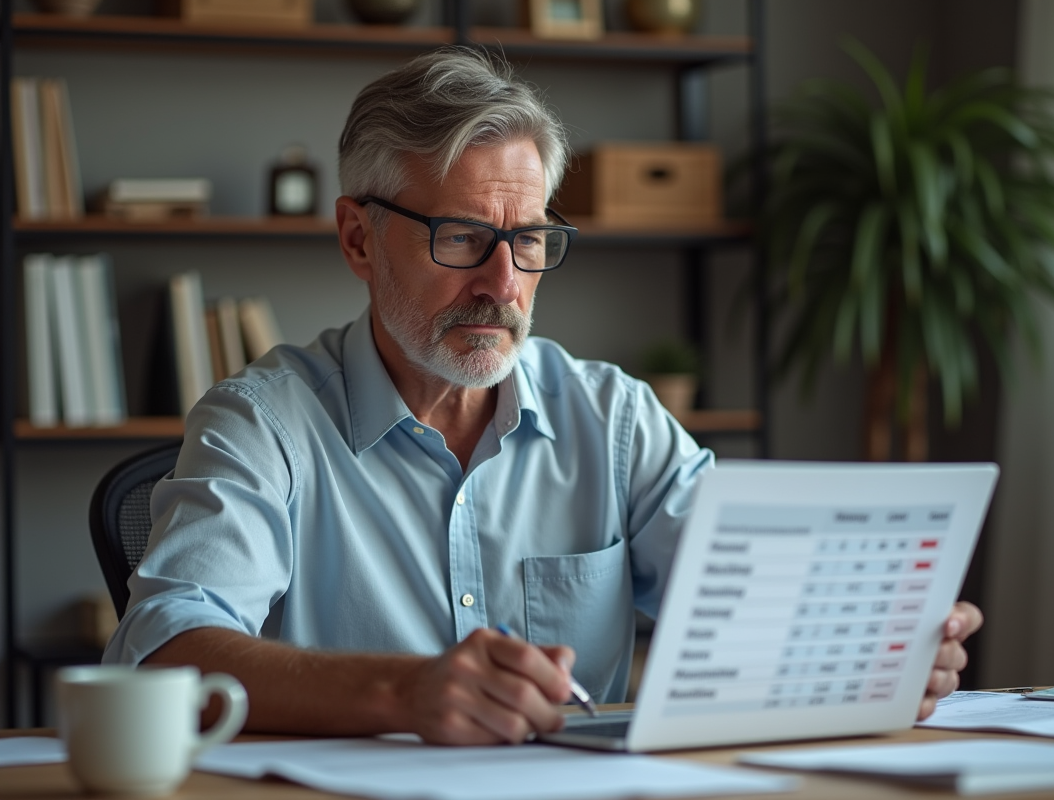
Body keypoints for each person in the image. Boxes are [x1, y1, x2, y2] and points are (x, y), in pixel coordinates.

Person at [104, 48, 982, 745]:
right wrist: (406, 691)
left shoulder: (614, 419)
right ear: (358, 238)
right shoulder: (264, 422)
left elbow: (752, 599)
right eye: (462, 237)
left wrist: (874, 652)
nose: (503, 283)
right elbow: (169, 655)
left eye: (528, 241)